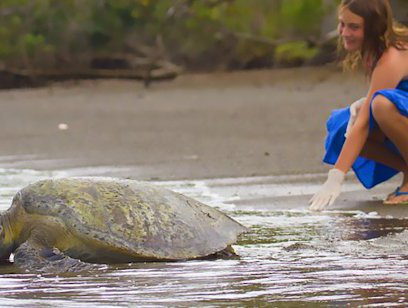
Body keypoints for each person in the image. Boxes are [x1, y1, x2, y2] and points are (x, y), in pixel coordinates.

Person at [309, 0, 408, 211]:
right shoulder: (373, 51)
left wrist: (336, 177)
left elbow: (365, 122)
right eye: (342, 24)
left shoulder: (392, 56)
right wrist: (364, 102)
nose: (344, 32)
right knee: (340, 126)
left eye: (354, 27)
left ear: (374, 29)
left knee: (381, 106)